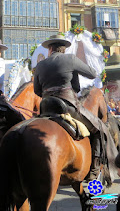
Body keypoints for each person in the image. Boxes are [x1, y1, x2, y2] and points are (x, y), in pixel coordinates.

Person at [33, 33, 105, 180]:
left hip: (46, 107)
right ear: (64, 48)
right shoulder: (70, 59)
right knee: (99, 128)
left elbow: (37, 91)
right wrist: (74, 69)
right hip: (68, 105)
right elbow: (92, 74)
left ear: (50, 49)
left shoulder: (40, 65)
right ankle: (94, 170)